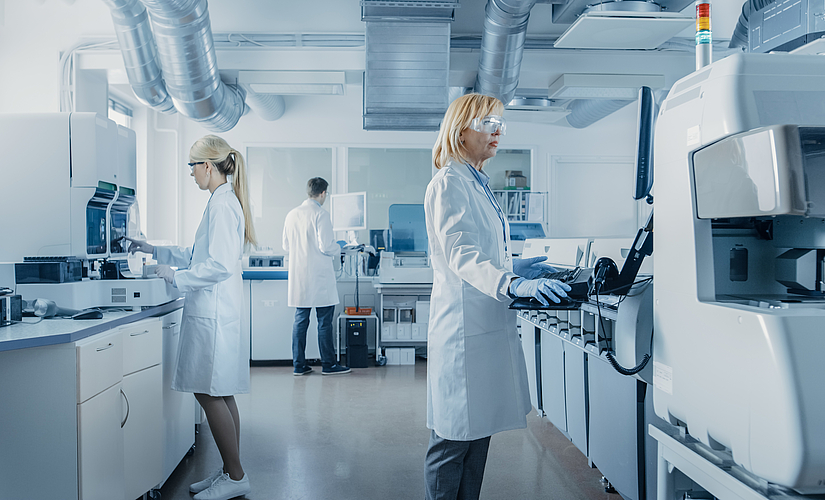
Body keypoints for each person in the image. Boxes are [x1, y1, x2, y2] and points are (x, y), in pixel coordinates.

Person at [423, 93, 571, 500]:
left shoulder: (475, 181)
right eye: (487, 122)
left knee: (477, 435)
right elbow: (461, 255)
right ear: (460, 130)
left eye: (499, 122)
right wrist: (514, 285)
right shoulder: (450, 183)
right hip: (462, 332)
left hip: (483, 327)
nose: (497, 129)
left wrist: (519, 269)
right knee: (452, 441)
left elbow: (484, 253)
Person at [125, 135, 254, 500]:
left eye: (192, 166)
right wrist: (154, 249)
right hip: (215, 312)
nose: (191, 173)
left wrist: (175, 277)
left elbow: (217, 266)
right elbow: (197, 252)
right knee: (220, 392)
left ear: (208, 166)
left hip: (213, 313)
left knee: (209, 391)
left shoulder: (223, 205)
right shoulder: (220, 201)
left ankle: (236, 474)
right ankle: (232, 471)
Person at [282, 177, 351, 376]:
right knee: (324, 322)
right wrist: (340, 246)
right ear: (323, 193)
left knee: (300, 321)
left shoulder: (291, 214)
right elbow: (327, 247)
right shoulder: (321, 214)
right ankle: (329, 365)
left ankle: (298, 365)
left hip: (299, 277)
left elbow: (286, 247)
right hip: (319, 277)